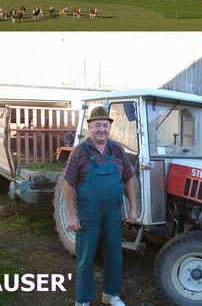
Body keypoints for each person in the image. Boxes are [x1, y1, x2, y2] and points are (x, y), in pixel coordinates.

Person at [63, 106, 138, 306]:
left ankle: (110, 294)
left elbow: (129, 179)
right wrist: (71, 215)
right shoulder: (79, 152)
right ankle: (83, 300)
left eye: (105, 125)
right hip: (88, 214)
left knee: (114, 255)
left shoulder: (118, 150)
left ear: (110, 127)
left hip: (114, 213)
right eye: (97, 125)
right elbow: (68, 184)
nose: (101, 129)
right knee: (86, 257)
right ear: (89, 127)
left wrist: (132, 208)